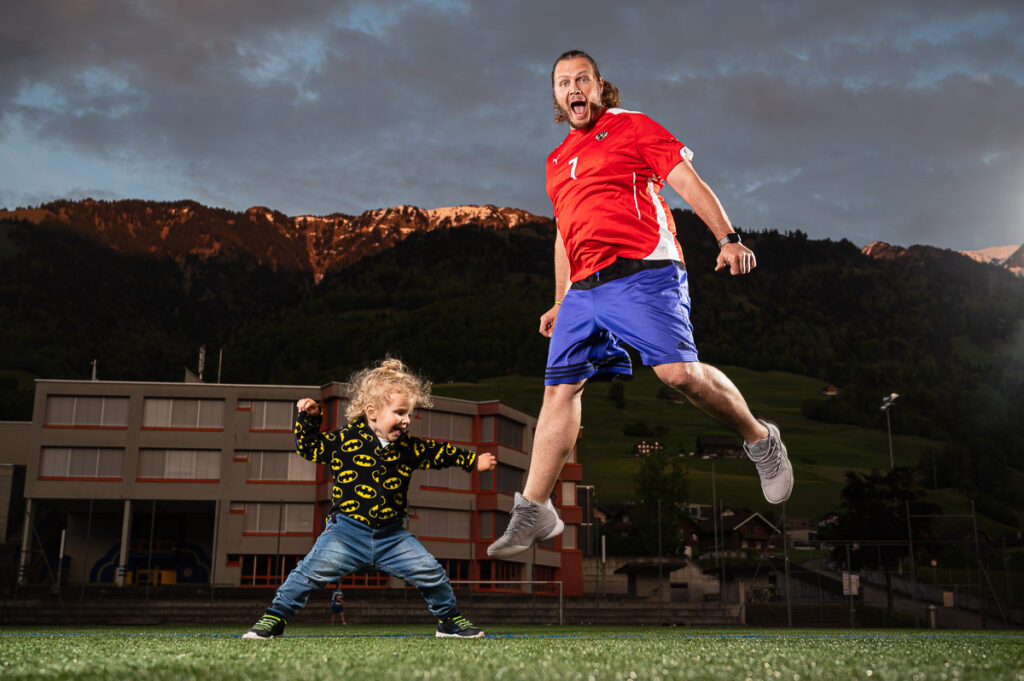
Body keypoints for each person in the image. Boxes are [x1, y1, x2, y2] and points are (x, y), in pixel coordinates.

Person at [487, 50, 793, 559]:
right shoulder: (557, 160)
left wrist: (728, 238)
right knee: (558, 393)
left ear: (601, 87)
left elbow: (687, 181)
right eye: (563, 82)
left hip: (645, 272)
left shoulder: (633, 127)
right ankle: (535, 509)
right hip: (583, 290)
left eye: (582, 78)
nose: (572, 88)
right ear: (557, 97)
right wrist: (561, 300)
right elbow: (565, 233)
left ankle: (760, 439)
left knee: (678, 375)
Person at [244, 358, 495, 639]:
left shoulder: (409, 447)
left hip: (392, 537)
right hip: (346, 533)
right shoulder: (345, 440)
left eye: (409, 413)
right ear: (372, 411)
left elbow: (440, 453)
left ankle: (449, 622)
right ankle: (274, 618)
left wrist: (473, 460)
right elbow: (309, 448)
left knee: (431, 572)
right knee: (307, 574)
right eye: (400, 412)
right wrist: (310, 418)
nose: (406, 420)